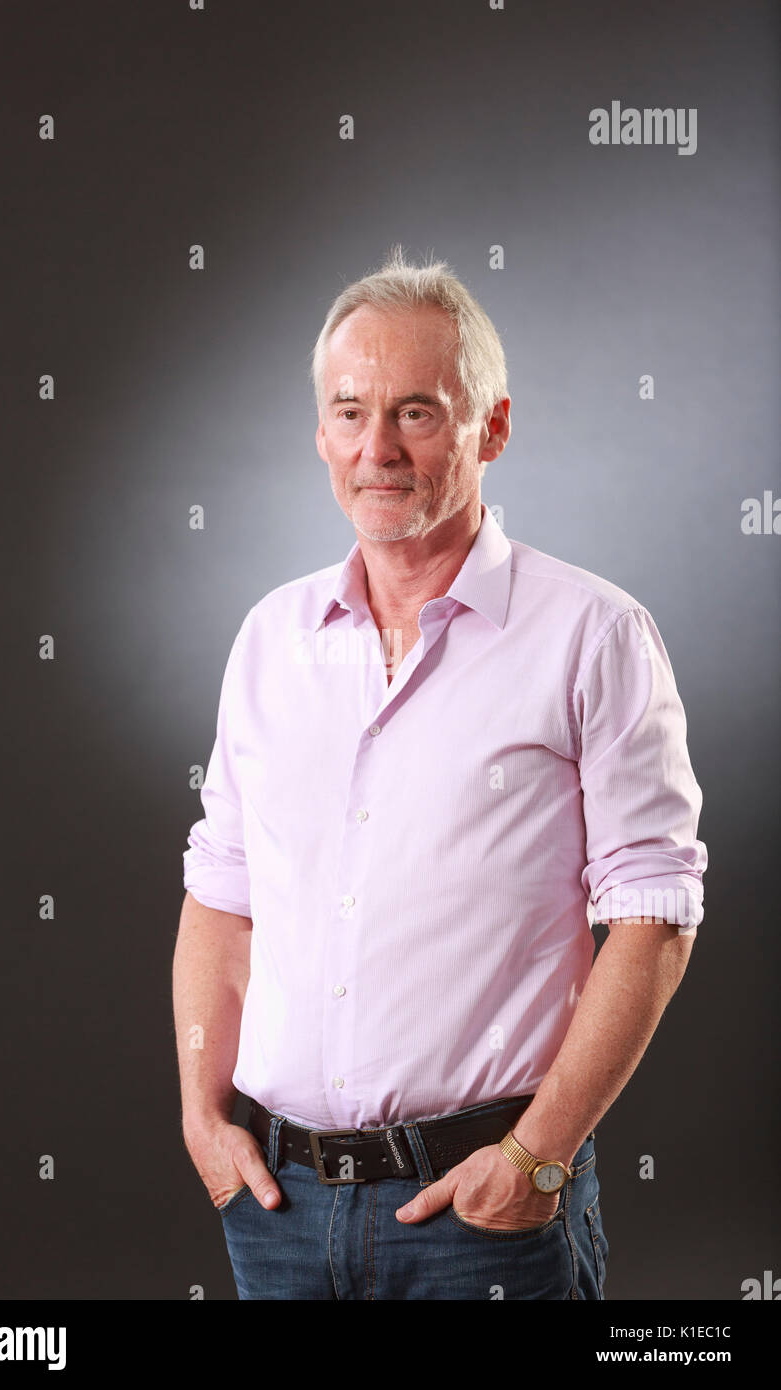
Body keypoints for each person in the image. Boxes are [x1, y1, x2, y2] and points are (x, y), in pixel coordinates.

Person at [172, 246, 707, 1300]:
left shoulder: (590, 634)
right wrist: (200, 1117)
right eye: (349, 411)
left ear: (489, 428)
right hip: (276, 1209)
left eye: (416, 412)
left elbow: (652, 915)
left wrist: (537, 1155)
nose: (378, 447)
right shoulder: (269, 638)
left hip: (482, 1210)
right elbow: (219, 894)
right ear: (319, 431)